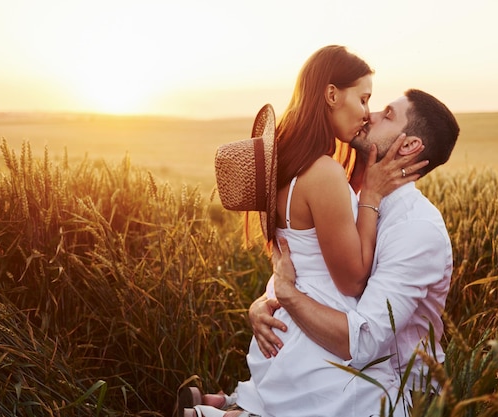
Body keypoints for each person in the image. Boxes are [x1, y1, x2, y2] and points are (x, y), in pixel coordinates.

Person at [179, 46, 426, 417]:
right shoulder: (323, 172)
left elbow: (299, 256)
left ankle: (215, 410)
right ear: (331, 95)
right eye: (363, 98)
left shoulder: (288, 166)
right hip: (318, 338)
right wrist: (372, 194)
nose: (365, 113)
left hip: (292, 329)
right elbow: (352, 281)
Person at [251, 88, 460, 416]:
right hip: (345, 369)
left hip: (393, 391)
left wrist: (288, 296)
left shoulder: (416, 229)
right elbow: (309, 274)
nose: (370, 115)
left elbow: (363, 342)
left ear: (408, 146)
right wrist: (264, 304)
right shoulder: (353, 199)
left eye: (387, 114)